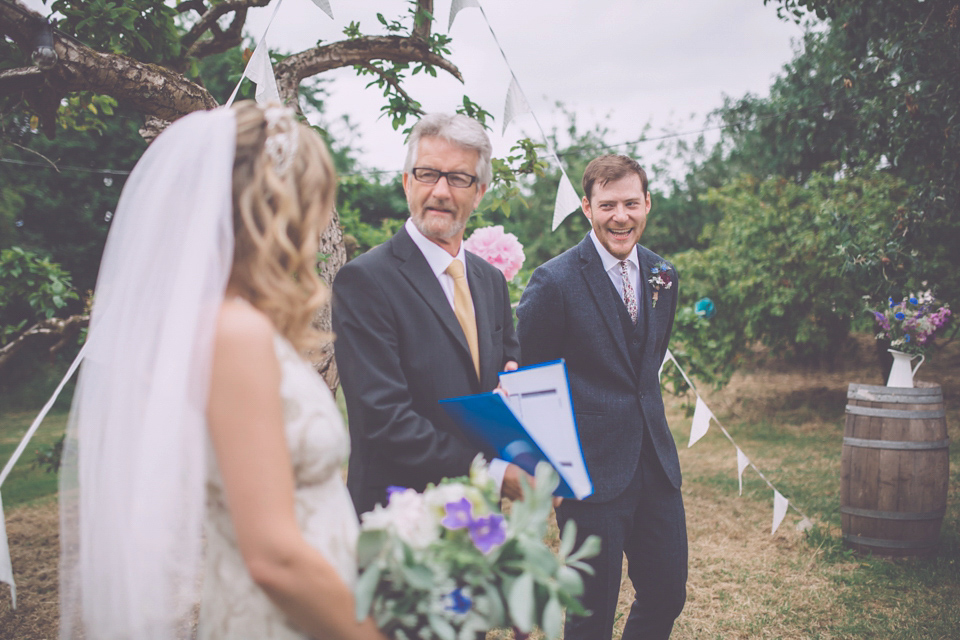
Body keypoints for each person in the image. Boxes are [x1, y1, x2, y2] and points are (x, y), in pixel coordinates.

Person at [59, 102, 387, 640]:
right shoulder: (233, 334)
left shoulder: (234, 322)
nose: (319, 230)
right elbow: (274, 555)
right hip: (287, 620)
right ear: (274, 211)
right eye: (315, 208)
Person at [516, 155, 687, 640]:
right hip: (588, 475)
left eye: (631, 203)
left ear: (647, 204)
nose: (621, 216)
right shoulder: (555, 280)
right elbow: (528, 379)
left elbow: (646, 367)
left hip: (656, 464)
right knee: (591, 615)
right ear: (587, 208)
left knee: (667, 592)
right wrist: (553, 469)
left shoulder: (663, 275)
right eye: (608, 205)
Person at [332, 113, 525, 517]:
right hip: (400, 522)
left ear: (480, 192)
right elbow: (383, 420)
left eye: (458, 178)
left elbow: (507, 370)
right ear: (406, 182)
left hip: (479, 521)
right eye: (427, 174)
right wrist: (490, 471)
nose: (440, 190)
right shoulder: (364, 281)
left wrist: (517, 393)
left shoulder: (490, 280)